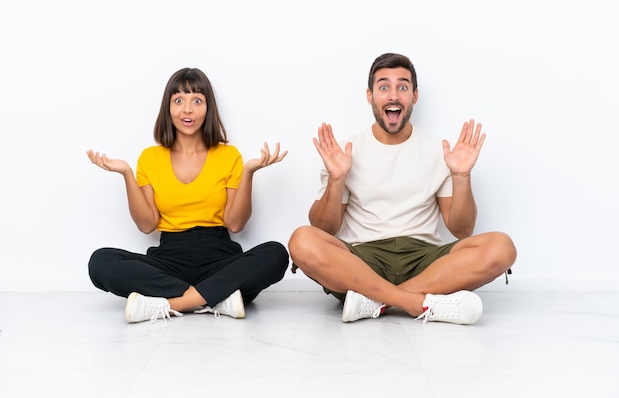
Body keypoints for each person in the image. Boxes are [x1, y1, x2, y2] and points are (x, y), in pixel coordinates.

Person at [288, 53, 516, 325]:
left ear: (415, 96)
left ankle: (375, 301)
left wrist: (461, 174)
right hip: (362, 261)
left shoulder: (437, 150)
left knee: (502, 247)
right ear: (370, 95)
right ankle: (416, 303)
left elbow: (462, 229)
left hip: (425, 260)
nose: (393, 95)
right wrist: (337, 179)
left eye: (403, 87)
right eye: (383, 87)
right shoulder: (346, 151)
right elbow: (323, 229)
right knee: (301, 239)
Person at [87, 67, 289, 323]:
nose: (188, 110)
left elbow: (236, 224)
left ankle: (173, 304)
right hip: (170, 258)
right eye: (179, 100)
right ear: (168, 108)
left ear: (208, 108)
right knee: (100, 261)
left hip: (219, 257)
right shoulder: (150, 158)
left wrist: (249, 172)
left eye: (197, 100)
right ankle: (218, 297)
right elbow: (147, 225)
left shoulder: (229, 156)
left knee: (276, 253)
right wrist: (126, 173)